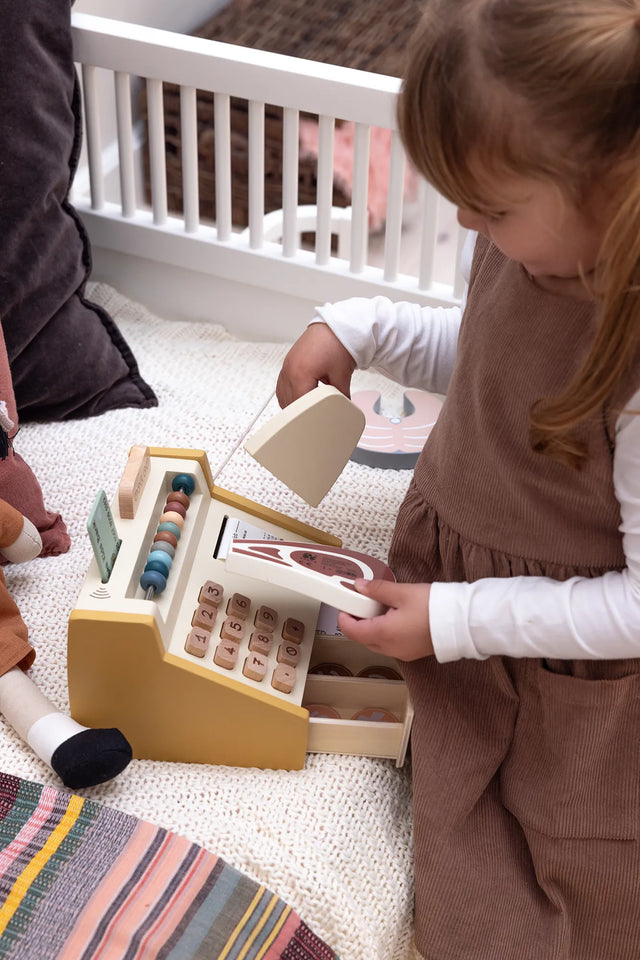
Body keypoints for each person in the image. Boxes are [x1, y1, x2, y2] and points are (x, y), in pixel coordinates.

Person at [276, 1, 640, 956]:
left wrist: (454, 619)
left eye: (490, 205)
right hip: (459, 604)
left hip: (559, 662)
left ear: (615, 186)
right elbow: (487, 351)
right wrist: (361, 325)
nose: (466, 221)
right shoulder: (540, 247)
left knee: (547, 902)